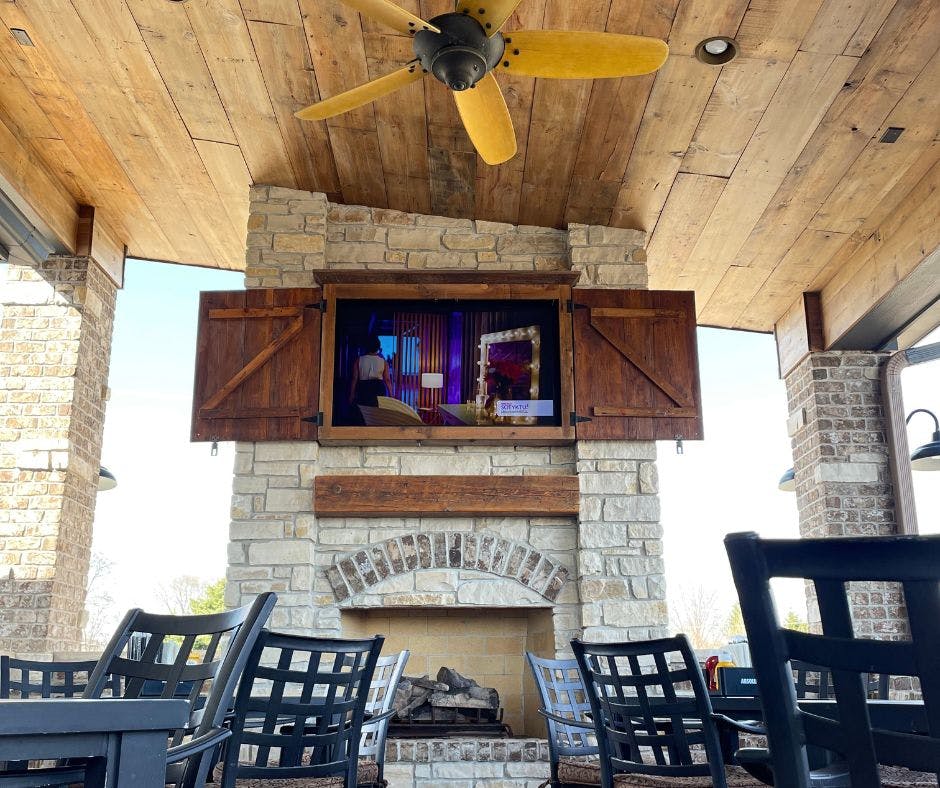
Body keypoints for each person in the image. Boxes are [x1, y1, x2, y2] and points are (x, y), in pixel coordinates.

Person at [348, 334, 392, 409]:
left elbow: (354, 378)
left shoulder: (359, 360)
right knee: (377, 411)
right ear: (378, 347)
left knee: (364, 412)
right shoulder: (383, 361)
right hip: (378, 388)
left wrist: (351, 394)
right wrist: (391, 394)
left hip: (363, 388)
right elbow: (387, 379)